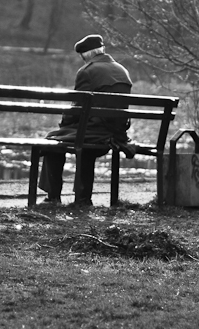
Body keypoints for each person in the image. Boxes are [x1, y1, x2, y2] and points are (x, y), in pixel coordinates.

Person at [40, 34, 132, 206]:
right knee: (83, 144)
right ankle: (83, 198)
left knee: (51, 141)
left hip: (93, 133)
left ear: (87, 54)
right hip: (115, 134)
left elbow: (77, 108)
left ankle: (53, 197)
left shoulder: (87, 72)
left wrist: (64, 123)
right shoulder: (122, 70)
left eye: (82, 56)